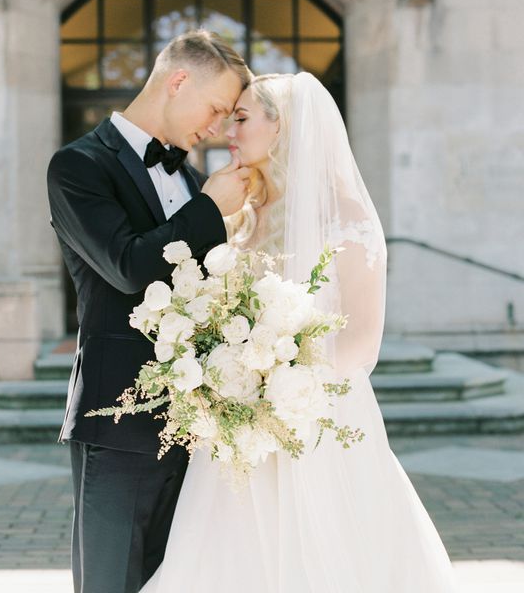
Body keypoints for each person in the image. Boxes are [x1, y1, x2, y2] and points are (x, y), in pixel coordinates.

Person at [139, 73, 459, 592]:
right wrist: (227, 378)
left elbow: (361, 340)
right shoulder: (242, 216)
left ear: (282, 127)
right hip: (236, 430)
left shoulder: (348, 222)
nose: (228, 132)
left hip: (316, 422)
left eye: (242, 119)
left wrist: (276, 388)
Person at [46, 30, 252, 593]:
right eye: (215, 110)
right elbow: (128, 267)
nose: (214, 129)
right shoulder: (78, 166)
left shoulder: (185, 177)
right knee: (112, 583)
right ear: (178, 81)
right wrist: (210, 209)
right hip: (118, 421)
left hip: (193, 423)